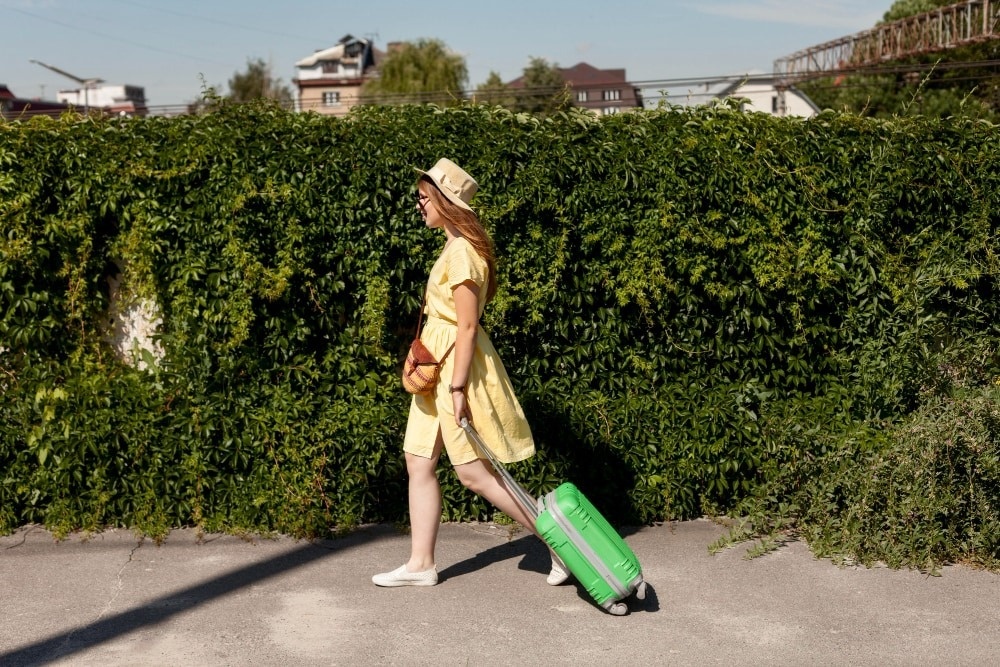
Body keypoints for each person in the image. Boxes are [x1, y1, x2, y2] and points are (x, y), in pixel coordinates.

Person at [372, 158, 568, 588]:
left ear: (444, 200)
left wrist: (458, 386)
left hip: (453, 368)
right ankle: (421, 564)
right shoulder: (453, 246)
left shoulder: (462, 252)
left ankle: (560, 546)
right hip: (435, 364)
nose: (419, 206)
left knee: (473, 473)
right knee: (417, 459)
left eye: (424, 199)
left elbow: (466, 325)